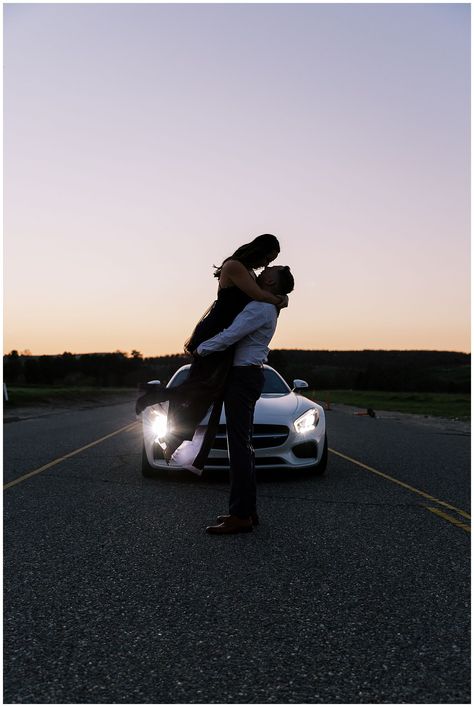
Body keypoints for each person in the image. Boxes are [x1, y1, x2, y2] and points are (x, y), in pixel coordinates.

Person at [135, 234, 288, 470]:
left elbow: (262, 297)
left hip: (228, 335)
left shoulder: (250, 273)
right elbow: (259, 296)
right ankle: (156, 400)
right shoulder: (235, 266)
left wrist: (280, 296)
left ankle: (170, 430)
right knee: (201, 386)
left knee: (206, 391)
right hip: (216, 331)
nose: (268, 263)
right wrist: (281, 298)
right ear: (260, 249)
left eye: (273, 261)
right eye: (270, 257)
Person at [193, 265, 295, 535]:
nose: (261, 272)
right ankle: (246, 511)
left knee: (238, 446)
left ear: (271, 280)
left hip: (242, 377)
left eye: (267, 270)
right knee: (243, 444)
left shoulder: (260, 308)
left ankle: (240, 515)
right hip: (249, 376)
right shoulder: (267, 305)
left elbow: (231, 335)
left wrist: (200, 349)